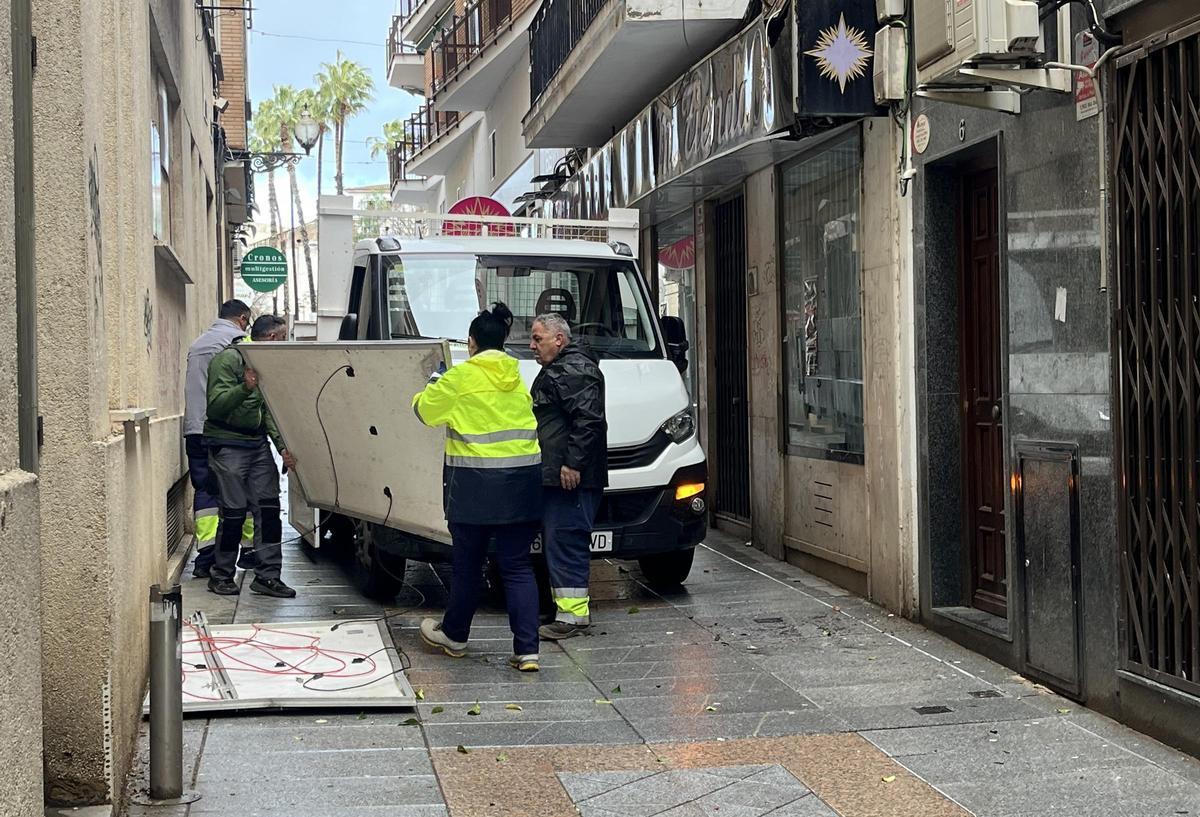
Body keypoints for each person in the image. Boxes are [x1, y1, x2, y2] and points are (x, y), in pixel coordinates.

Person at [414, 303, 544, 672]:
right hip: (522, 484)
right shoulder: (518, 376)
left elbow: (425, 412)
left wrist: (434, 382)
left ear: (471, 343)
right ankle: (528, 651)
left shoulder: (458, 378)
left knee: (468, 565)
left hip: (474, 488)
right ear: (503, 342)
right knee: (517, 567)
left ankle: (455, 636)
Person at [203, 314, 298, 598]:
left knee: (269, 511)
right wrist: (244, 387)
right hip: (228, 444)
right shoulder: (229, 360)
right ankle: (220, 575)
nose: (285, 343)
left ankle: (268, 576)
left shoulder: (266, 363)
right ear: (271, 338)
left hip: (256, 445)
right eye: (283, 337)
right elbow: (216, 406)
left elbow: (268, 412)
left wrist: (282, 447)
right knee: (233, 514)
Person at [529, 313, 608, 640]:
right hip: (561, 475)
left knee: (567, 542)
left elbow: (588, 420)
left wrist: (572, 464)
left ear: (559, 340)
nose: (532, 346)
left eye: (538, 338)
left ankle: (572, 617)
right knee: (560, 541)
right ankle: (564, 609)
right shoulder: (564, 369)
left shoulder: (571, 371)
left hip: (571, 478)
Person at [183, 299, 257, 578]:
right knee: (242, 489)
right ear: (242, 319)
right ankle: (248, 552)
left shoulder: (198, 344)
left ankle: (205, 559)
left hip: (194, 428)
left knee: (205, 491)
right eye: (247, 321)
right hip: (226, 430)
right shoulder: (240, 343)